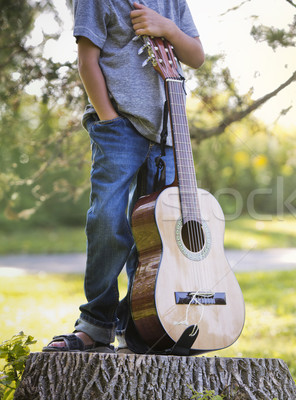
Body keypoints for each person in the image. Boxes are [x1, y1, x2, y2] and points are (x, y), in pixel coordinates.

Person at [43, 0, 204, 353]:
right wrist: (108, 118)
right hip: (120, 128)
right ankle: (96, 323)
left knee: (157, 235)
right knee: (107, 218)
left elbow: (196, 56)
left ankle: (143, 323)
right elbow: (87, 60)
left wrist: (167, 28)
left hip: (167, 130)